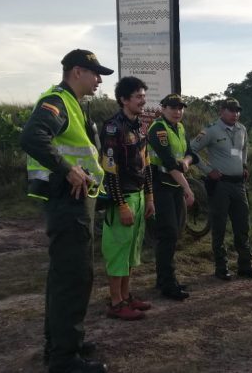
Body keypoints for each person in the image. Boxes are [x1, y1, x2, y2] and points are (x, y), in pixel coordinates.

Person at [20, 49, 110, 373]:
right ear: (76, 72)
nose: (99, 80)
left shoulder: (75, 105)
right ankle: (64, 360)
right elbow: (32, 136)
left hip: (77, 202)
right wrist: (67, 169)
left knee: (65, 278)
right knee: (73, 278)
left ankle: (61, 344)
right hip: (68, 203)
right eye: (95, 72)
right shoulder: (57, 100)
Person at [100, 76, 156, 321]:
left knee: (131, 249)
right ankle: (115, 303)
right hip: (121, 197)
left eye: (143, 96)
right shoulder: (113, 127)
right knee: (118, 250)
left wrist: (150, 196)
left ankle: (126, 296)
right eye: (138, 96)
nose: (143, 101)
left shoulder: (141, 127)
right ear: (123, 99)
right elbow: (109, 171)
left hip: (139, 196)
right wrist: (121, 204)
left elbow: (146, 164)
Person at [190, 97, 252, 281]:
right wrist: (208, 170)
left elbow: (244, 148)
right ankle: (221, 268)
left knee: (242, 226)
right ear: (221, 111)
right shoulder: (211, 130)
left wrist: (245, 165)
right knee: (220, 227)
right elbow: (191, 150)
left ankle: (245, 266)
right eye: (231, 110)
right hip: (220, 185)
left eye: (238, 110)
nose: (235, 114)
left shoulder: (242, 129)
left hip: (239, 184)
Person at [147, 93, 200, 300]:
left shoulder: (179, 127)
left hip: (174, 185)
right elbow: (169, 163)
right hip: (160, 185)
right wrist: (188, 188)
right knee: (167, 233)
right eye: (172, 107)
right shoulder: (158, 128)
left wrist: (186, 161)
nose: (178, 111)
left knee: (175, 231)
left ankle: (166, 278)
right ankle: (167, 283)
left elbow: (191, 154)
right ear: (163, 108)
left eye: (180, 108)